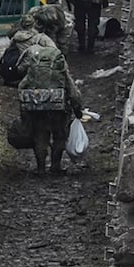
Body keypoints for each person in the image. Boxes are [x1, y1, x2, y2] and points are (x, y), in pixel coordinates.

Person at [16, 44, 83, 175]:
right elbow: (73, 93)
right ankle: (55, 166)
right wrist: (77, 110)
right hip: (58, 109)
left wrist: (24, 110)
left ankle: (40, 168)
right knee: (59, 136)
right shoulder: (61, 72)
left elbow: (22, 87)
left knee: (40, 136)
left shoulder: (33, 71)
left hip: (37, 107)